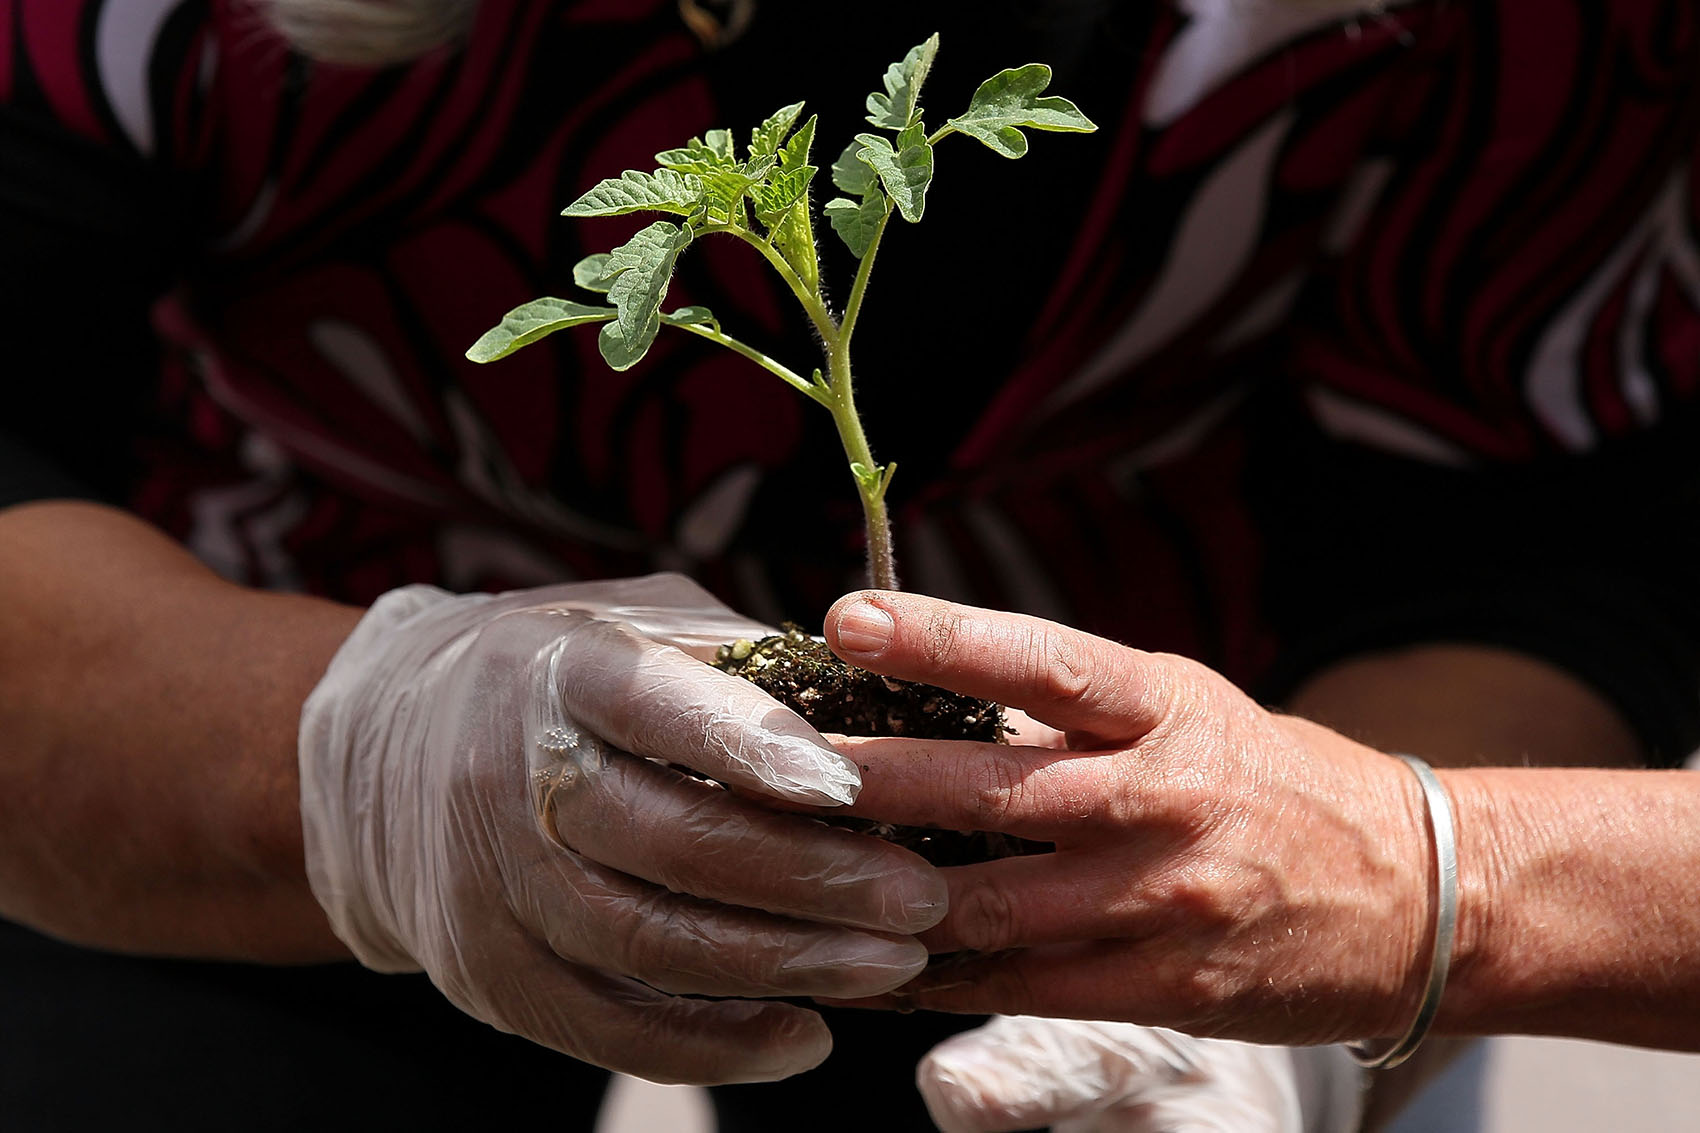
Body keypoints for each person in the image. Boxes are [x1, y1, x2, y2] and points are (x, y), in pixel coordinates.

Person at [3, 0, 1698, 1129]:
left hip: (1148, 780)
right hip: (225, 673)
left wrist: (1383, 902)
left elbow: (1539, 538)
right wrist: (351, 752)